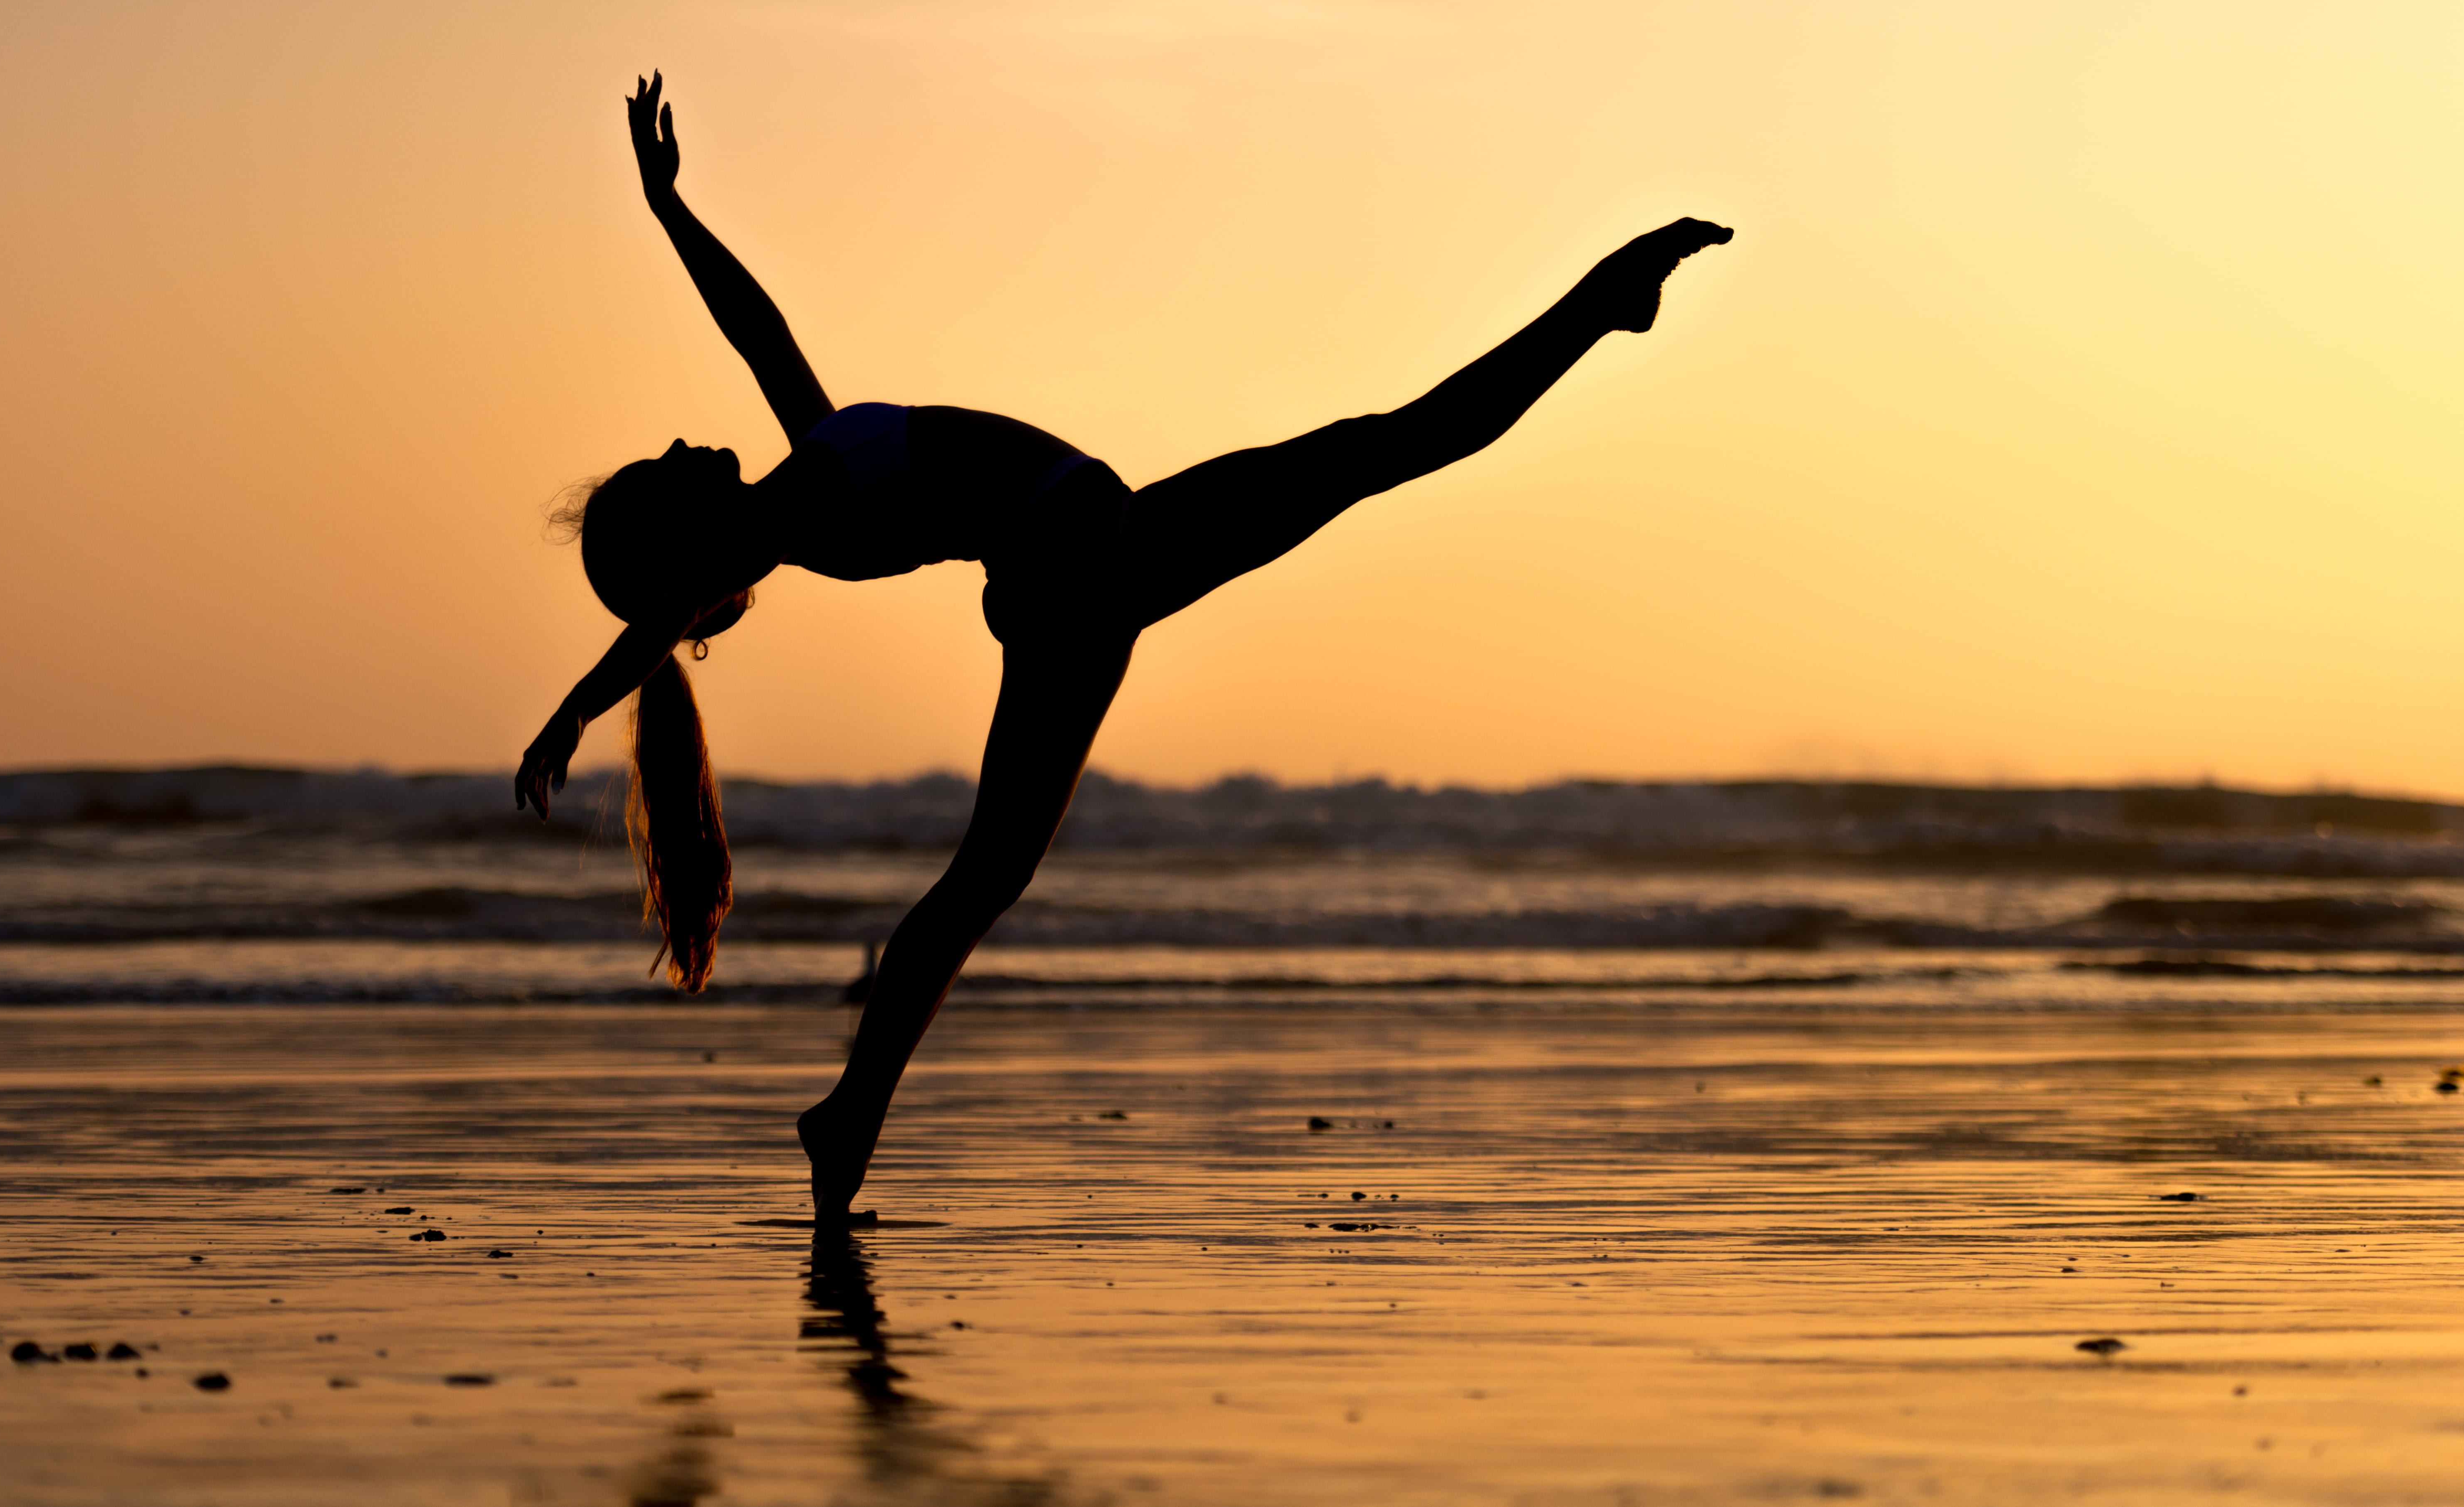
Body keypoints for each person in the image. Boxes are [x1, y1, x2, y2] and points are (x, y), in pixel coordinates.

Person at [516, 75, 1731, 1221]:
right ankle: (1603, 302)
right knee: (1384, 448)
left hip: (1081, 559)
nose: (681, 442)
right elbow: (666, 610)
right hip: (1077, 564)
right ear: (687, 531)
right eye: (662, 468)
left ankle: (849, 1119)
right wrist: (576, 708)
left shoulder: (807, 461)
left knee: (987, 877)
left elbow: (754, 325)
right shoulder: (766, 517)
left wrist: (670, 208)